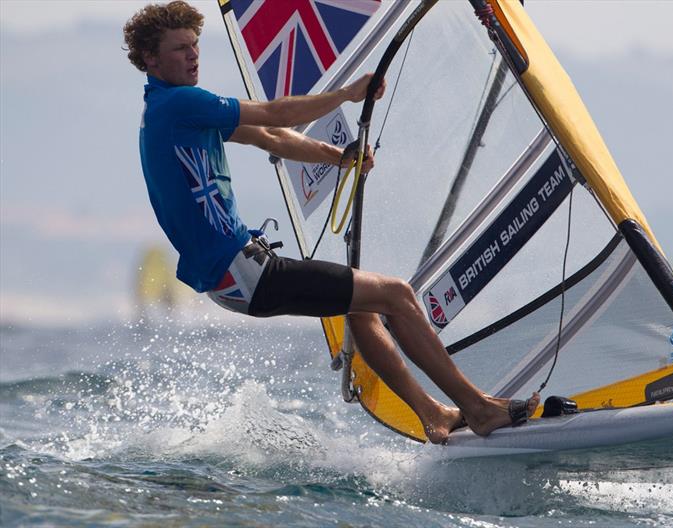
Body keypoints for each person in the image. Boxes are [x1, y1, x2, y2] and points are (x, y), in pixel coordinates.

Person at [124, 1, 538, 444]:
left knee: (362, 306)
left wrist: (338, 157)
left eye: (195, 46)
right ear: (150, 58)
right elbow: (277, 114)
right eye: (180, 48)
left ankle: (434, 414)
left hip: (235, 277)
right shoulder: (179, 104)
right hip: (244, 271)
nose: (193, 55)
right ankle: (477, 408)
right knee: (396, 294)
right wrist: (346, 94)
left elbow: (268, 137)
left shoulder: (176, 112)